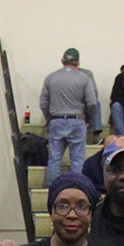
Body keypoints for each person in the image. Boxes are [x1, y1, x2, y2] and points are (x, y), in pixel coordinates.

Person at [40, 48, 102, 178]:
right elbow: (92, 102)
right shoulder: (84, 78)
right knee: (77, 160)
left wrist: (49, 118)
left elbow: (43, 103)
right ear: (78, 63)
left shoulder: (51, 78)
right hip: (77, 120)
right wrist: (87, 119)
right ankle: (76, 186)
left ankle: (51, 187)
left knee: (54, 159)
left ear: (62, 61)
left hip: (56, 120)